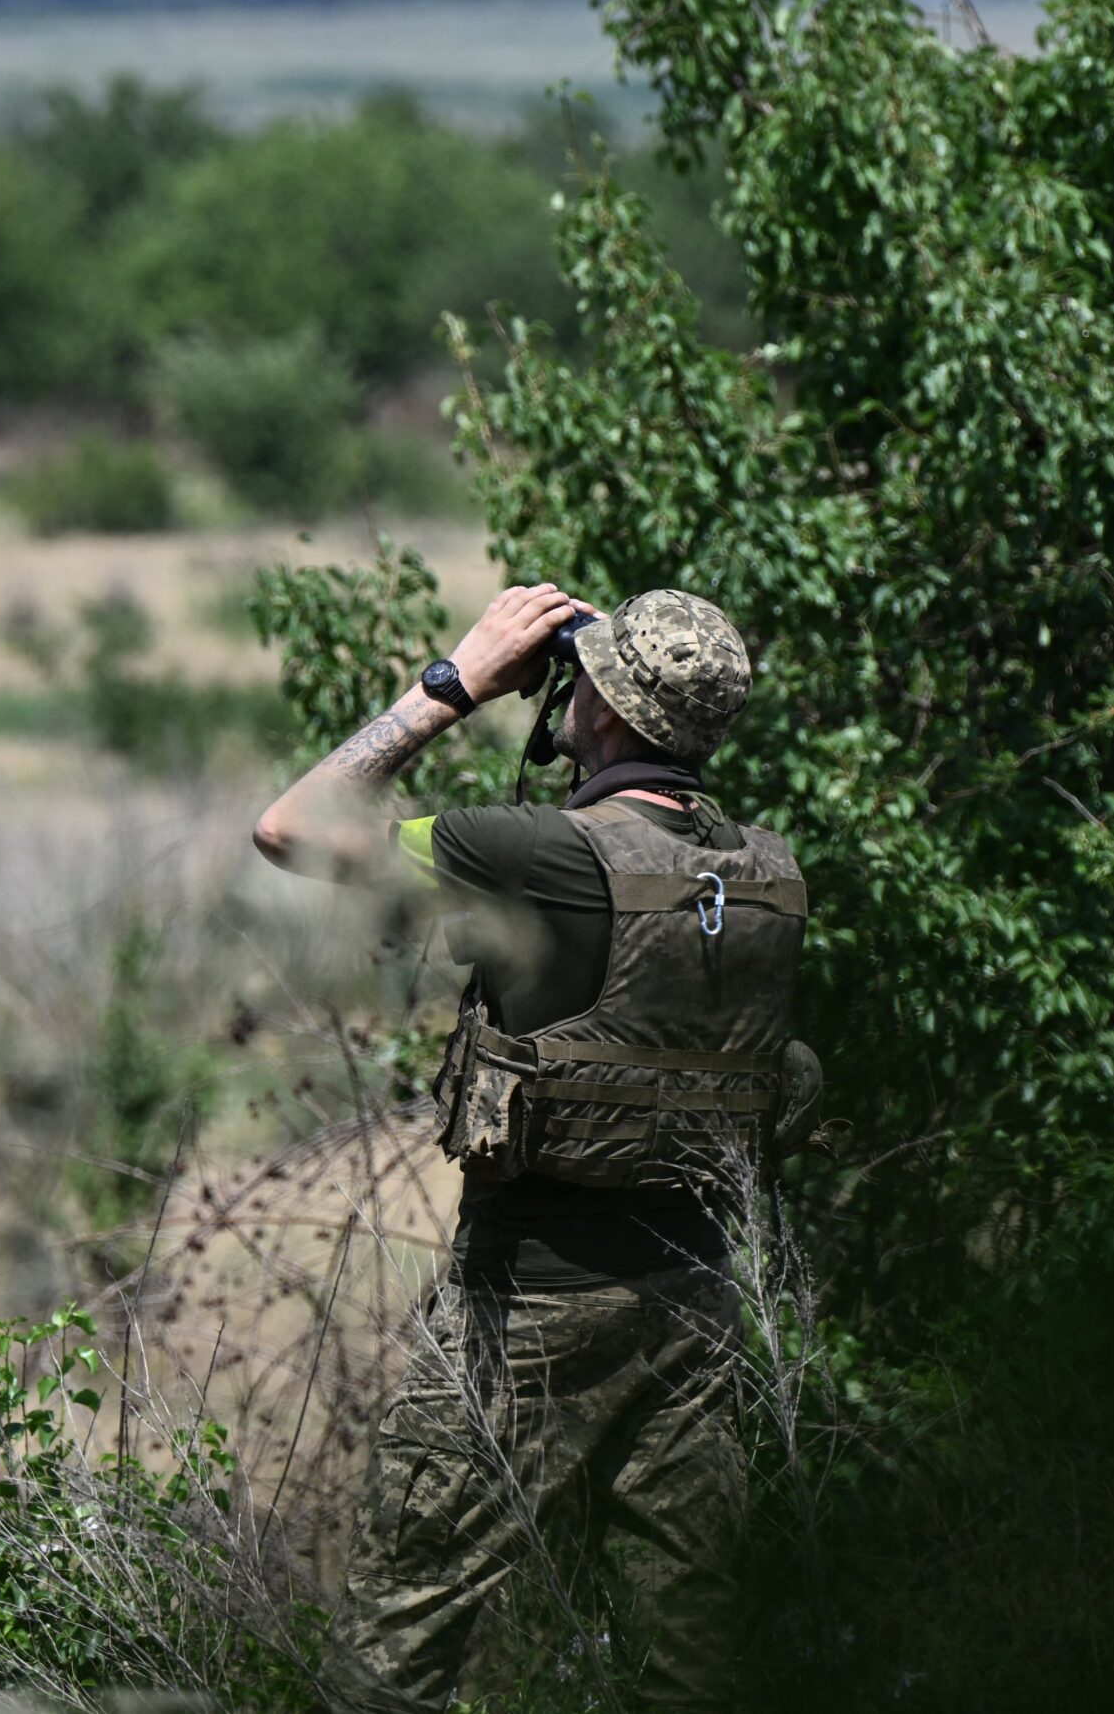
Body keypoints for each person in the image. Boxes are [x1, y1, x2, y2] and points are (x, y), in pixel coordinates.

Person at [252, 582, 807, 1712]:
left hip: (528, 1305)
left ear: (600, 709)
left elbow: (292, 825)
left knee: (400, 1649)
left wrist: (455, 681)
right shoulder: (767, 872)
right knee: (688, 1661)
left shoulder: (540, 854)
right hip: (694, 1300)